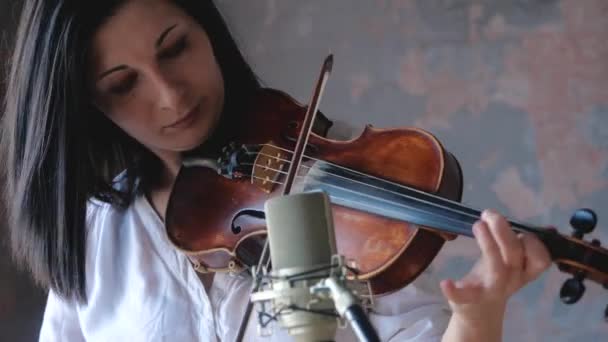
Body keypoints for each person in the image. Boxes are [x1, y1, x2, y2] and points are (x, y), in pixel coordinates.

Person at [1, 0, 552, 341]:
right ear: (87, 107)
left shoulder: (325, 174)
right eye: (124, 84)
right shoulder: (97, 228)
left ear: (207, 30)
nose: (170, 96)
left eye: (175, 48)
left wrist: (478, 316)